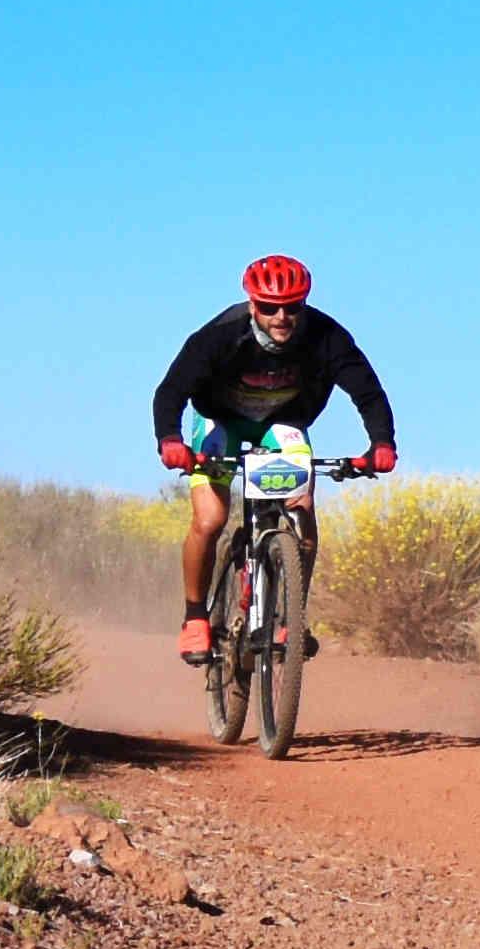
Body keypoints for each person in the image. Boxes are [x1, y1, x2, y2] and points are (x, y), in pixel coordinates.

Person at [149, 254, 397, 664]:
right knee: (210, 520)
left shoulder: (326, 337)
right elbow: (171, 390)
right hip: (220, 421)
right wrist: (170, 440)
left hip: (281, 423)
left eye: (293, 307)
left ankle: (290, 615)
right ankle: (195, 617)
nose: (281, 316)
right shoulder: (219, 336)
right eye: (268, 307)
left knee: (301, 508)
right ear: (252, 304)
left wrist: (381, 444)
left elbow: (367, 392)